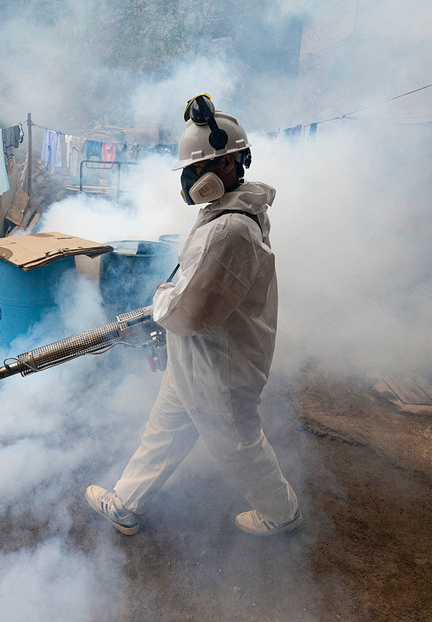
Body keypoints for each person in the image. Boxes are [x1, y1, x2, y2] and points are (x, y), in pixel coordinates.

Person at [85, 94, 301, 536]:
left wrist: (161, 302)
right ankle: (126, 505)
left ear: (227, 164)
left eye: (195, 167)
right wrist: (169, 306)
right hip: (200, 357)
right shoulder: (230, 211)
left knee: (239, 444)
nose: (188, 179)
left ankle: (282, 514)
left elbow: (190, 313)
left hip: (218, 365)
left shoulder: (230, 228)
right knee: (165, 429)